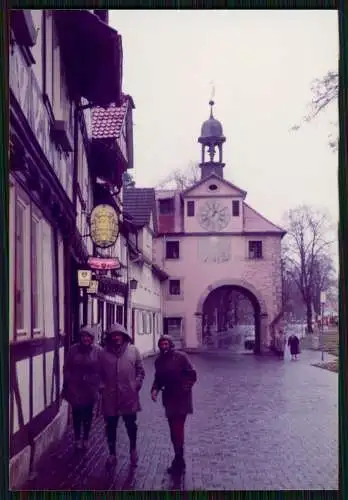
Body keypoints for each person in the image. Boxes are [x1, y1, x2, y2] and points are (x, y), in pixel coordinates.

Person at [99, 323, 145, 466]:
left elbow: (140, 370)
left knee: (131, 425)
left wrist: (136, 383)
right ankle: (112, 454)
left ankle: (133, 450)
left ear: (124, 336)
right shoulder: (103, 353)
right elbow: (98, 373)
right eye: (114, 335)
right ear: (110, 337)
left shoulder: (133, 351)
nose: (116, 338)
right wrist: (101, 385)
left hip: (128, 396)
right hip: (110, 397)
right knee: (110, 427)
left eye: (119, 335)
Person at [151, 335, 197, 475]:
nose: (164, 346)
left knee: (177, 428)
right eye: (161, 344)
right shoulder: (159, 361)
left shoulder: (181, 357)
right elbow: (158, 378)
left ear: (170, 344)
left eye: (166, 343)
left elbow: (192, 375)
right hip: (169, 398)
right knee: (172, 429)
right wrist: (155, 390)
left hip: (182, 399)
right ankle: (178, 458)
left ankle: (179, 459)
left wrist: (184, 388)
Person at [62, 326, 102, 450]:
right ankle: (77, 438)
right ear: (80, 338)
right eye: (84, 336)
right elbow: (67, 367)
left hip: (90, 389)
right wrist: (69, 380)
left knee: (88, 414)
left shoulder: (98, 351)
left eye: (88, 337)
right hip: (76, 388)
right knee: (76, 414)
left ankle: (86, 438)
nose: (86, 339)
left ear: (92, 339)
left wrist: (97, 382)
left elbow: (102, 370)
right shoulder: (73, 350)